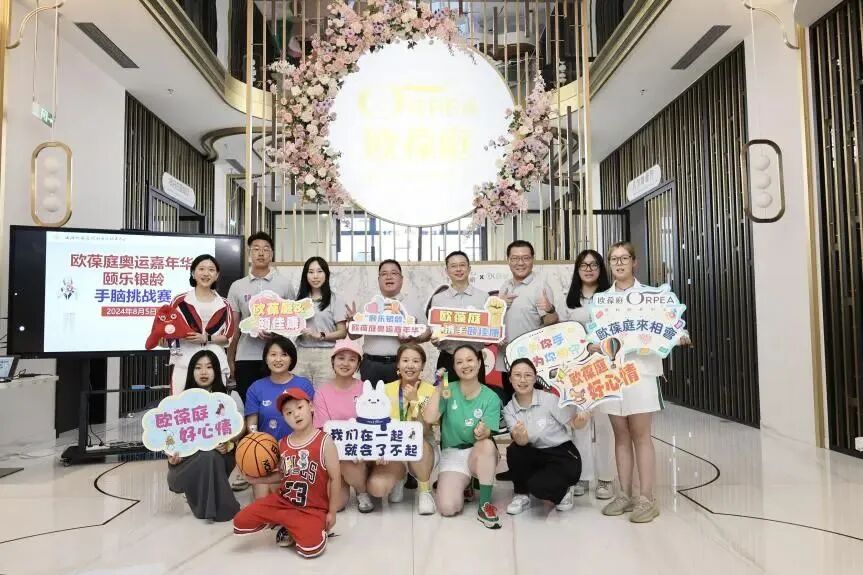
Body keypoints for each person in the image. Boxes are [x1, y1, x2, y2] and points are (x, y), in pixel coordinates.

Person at [598, 241, 690, 523]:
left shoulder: (652, 297)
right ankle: (624, 494)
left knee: (640, 434)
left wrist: (680, 335)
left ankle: (646, 498)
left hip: (641, 372)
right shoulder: (602, 300)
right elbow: (596, 335)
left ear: (634, 262)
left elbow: (671, 325)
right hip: (612, 373)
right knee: (620, 435)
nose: (619, 263)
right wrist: (593, 345)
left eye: (624, 258)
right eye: (614, 259)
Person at [233, 387, 340, 558]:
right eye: (288, 412)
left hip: (312, 508)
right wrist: (256, 480)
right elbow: (283, 475)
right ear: (284, 418)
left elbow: (335, 479)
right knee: (239, 522)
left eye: (299, 407)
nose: (295, 414)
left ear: (311, 407)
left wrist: (332, 512)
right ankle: (288, 524)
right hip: (283, 502)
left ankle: (295, 527)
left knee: (310, 549)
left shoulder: (324, 441)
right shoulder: (282, 443)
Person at [423, 345, 502, 529]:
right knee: (448, 508)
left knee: (487, 445)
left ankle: (484, 505)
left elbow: (488, 431)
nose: (465, 365)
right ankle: (466, 485)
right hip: (453, 453)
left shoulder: (491, 397)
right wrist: (438, 388)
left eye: (470, 360)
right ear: (454, 367)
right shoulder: (447, 389)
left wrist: (484, 431)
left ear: (479, 363)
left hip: (478, 452)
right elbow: (429, 418)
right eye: (459, 362)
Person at [562, 249, 615, 501]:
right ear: (577, 269)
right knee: (580, 424)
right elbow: (562, 334)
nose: (589, 269)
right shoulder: (569, 299)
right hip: (577, 368)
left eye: (594, 265)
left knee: (604, 425)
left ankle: (606, 478)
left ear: (601, 269)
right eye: (584, 265)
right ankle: (582, 476)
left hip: (605, 368)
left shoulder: (611, 297)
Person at [502, 358, 586, 515]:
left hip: (562, 454)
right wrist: (521, 436)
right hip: (535, 454)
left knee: (539, 487)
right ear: (510, 379)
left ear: (535, 378)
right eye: (517, 375)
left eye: (528, 375)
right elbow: (521, 441)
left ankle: (566, 488)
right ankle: (521, 494)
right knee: (515, 449)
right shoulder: (509, 409)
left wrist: (582, 420)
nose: (522, 380)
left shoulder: (549, 399)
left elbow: (573, 423)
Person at [166, 350, 242, 522]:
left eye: (209, 367)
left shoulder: (229, 397)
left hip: (221, 455)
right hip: (187, 459)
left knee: (210, 456)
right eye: (198, 367)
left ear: (216, 370)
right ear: (191, 371)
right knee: (205, 458)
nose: (204, 372)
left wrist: (227, 441)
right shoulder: (180, 401)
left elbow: (240, 427)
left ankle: (213, 510)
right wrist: (172, 457)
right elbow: (172, 436)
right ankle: (215, 503)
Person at [367, 343, 438, 515]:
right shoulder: (385, 389)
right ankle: (400, 477)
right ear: (398, 364)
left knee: (418, 442)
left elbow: (424, 429)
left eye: (416, 361)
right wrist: (379, 450)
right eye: (405, 360)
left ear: (422, 365)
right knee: (377, 488)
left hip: (422, 448)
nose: (410, 365)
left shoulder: (431, 391)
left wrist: (414, 401)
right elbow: (376, 426)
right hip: (393, 446)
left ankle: (424, 491)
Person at [227, 232, 296, 402]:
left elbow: (292, 322)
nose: (261, 253)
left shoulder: (284, 284)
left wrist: (276, 332)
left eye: (266, 249)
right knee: (250, 404)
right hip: (246, 356)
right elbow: (233, 328)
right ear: (249, 253)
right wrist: (230, 359)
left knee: (276, 404)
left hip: (277, 357)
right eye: (256, 249)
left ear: (271, 254)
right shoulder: (237, 286)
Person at [245, 336, 315, 499]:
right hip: (266, 452)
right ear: (266, 358)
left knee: (289, 497)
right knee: (263, 500)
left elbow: (312, 421)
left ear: (292, 358)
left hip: (297, 451)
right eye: (273, 354)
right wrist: (260, 449)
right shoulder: (256, 387)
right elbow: (252, 426)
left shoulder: (303, 385)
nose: (278, 359)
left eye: (284, 354)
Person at [348, 259, 429, 386]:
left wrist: (412, 337)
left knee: (401, 398)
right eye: (384, 274)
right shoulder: (369, 304)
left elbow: (427, 333)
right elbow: (353, 336)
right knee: (370, 398)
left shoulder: (412, 303)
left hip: (401, 365)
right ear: (379, 279)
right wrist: (352, 323)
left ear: (401, 279)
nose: (389, 277)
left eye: (394, 273)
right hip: (371, 365)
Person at [496, 240, 559, 404]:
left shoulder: (540, 286)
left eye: (525, 258)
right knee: (511, 408)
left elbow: (551, 324)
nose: (520, 263)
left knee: (533, 409)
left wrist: (550, 309)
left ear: (532, 259)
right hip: (506, 362)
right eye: (515, 258)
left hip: (532, 364)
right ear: (508, 260)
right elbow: (498, 322)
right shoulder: (505, 286)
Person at [311, 339, 370, 512]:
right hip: (333, 453)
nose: (345, 363)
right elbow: (322, 428)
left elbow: (372, 423)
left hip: (361, 451)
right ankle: (341, 480)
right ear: (333, 361)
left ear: (358, 365)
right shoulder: (321, 392)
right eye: (341, 358)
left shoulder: (365, 389)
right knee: (335, 505)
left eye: (352, 359)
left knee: (350, 462)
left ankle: (362, 491)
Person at [167, 255, 235, 395]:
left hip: (215, 366)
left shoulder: (224, 304)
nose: (206, 273)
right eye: (201, 269)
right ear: (193, 273)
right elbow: (168, 331)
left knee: (216, 406)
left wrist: (206, 338)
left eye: (211, 270)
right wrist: (170, 339)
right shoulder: (179, 301)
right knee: (181, 405)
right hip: (184, 364)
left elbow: (228, 337)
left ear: (217, 275)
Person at [427, 251, 489, 383]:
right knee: (446, 395)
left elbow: (489, 329)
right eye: (454, 266)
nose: (458, 269)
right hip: (448, 359)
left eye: (462, 265)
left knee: (476, 395)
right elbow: (435, 332)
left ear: (469, 268)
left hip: (474, 360)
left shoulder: (484, 297)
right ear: (447, 271)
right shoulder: (438, 299)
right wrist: (435, 339)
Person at [294, 257, 349, 387]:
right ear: (305, 275)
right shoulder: (298, 301)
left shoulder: (335, 299)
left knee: (323, 396)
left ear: (326, 274)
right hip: (301, 354)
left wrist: (321, 335)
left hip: (326, 355)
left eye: (319, 271)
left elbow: (342, 332)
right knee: (300, 395)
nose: (315, 276)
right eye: (311, 272)